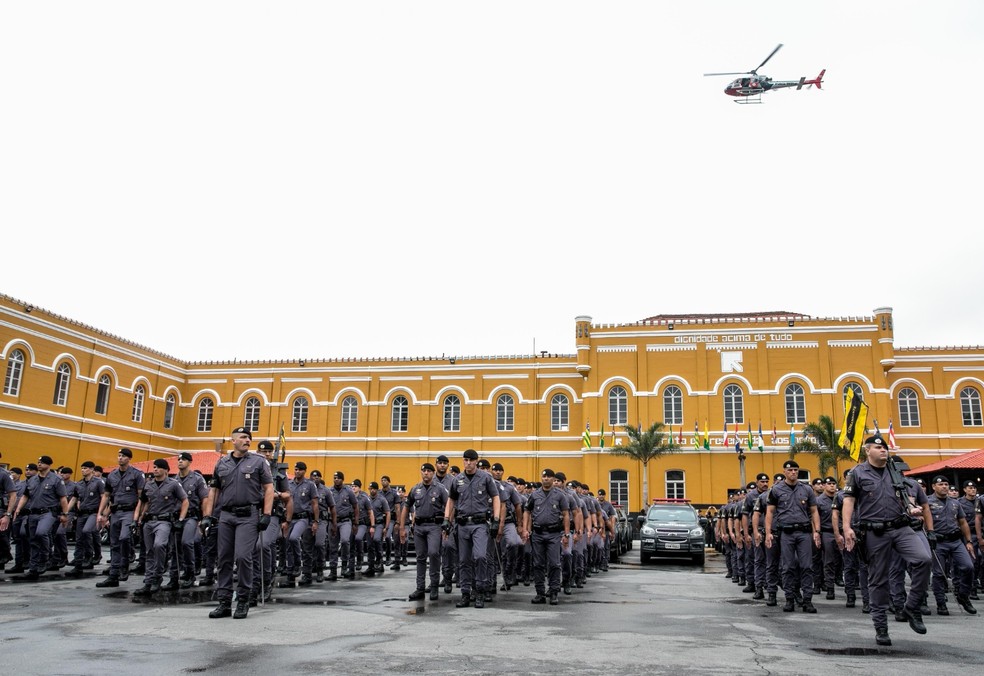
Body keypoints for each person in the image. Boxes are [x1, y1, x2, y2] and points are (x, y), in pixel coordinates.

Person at [842, 435, 933, 647]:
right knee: (878, 580)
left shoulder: (895, 470)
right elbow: (849, 501)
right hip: (875, 532)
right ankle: (881, 627)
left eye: (884, 447)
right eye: (878, 447)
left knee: (924, 560)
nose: (883, 450)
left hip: (901, 527)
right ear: (867, 451)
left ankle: (911, 607)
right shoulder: (857, 473)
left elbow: (904, 496)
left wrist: (912, 509)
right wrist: (847, 528)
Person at [201, 427, 274, 619]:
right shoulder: (222, 463)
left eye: (249, 437)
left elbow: (268, 488)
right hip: (225, 516)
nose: (247, 440)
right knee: (224, 558)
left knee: (243, 557)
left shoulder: (259, 462)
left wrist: (267, 514)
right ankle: (224, 602)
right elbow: (214, 490)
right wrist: (207, 515)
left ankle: (243, 599)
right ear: (233, 441)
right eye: (243, 437)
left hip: (248, 516)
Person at [443, 449, 501, 608]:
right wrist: (446, 519)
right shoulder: (458, 480)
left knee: (481, 556)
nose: (468, 463)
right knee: (464, 561)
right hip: (462, 525)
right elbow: (451, 500)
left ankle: (480, 591)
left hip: (480, 524)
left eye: (471, 460)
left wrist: (496, 519)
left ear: (476, 461)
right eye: (465, 460)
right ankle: (466, 593)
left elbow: (496, 497)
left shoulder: (486, 478)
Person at [765, 460, 821, 613]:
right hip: (786, 533)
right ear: (784, 472)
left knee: (807, 566)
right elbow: (770, 512)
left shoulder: (806, 489)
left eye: (796, 470)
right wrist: (768, 532)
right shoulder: (776, 490)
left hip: (804, 532)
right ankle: (789, 599)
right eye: (790, 470)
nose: (793, 473)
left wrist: (817, 531)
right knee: (788, 567)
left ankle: (807, 600)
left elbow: (814, 511)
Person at [132, 459, 189, 595]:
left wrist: (181, 519)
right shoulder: (148, 485)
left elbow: (185, 501)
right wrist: (136, 519)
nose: (155, 469)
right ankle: (148, 581)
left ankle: (157, 576)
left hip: (164, 521)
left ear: (165, 470)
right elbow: (142, 503)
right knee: (149, 552)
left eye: (158, 467)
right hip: (149, 521)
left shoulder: (174, 484)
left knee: (159, 545)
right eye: (154, 467)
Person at [10, 455, 70, 580]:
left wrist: (65, 514)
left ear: (49, 465)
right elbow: (25, 496)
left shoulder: (56, 480)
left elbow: (63, 498)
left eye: (42, 463)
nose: (39, 464)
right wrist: (18, 509)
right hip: (33, 513)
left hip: (48, 512)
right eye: (38, 462)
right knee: (33, 540)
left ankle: (45, 557)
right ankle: (34, 568)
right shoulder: (32, 480)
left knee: (41, 533)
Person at [926, 476, 977, 615]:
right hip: (938, 541)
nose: (944, 487)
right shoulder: (928, 502)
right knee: (938, 574)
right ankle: (941, 602)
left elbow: (962, 522)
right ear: (934, 487)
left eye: (946, 484)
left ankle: (963, 595)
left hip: (955, 541)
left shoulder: (955, 503)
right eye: (941, 484)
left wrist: (968, 541)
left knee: (968, 566)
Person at [95, 448, 145, 588]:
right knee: (114, 543)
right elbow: (107, 495)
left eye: (123, 456)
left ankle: (125, 563)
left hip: (130, 511)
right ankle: (114, 574)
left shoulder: (136, 474)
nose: (120, 458)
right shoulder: (112, 475)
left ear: (129, 458)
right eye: (119, 455)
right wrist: (101, 514)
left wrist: (139, 515)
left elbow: (141, 496)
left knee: (124, 538)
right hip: (115, 511)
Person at [400, 462, 449, 601]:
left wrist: (447, 523)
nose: (426, 473)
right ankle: (420, 588)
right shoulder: (415, 489)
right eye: (424, 471)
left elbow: (449, 506)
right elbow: (406, 507)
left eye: (429, 471)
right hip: (419, 527)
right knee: (420, 557)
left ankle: (434, 586)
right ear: (421, 473)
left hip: (435, 526)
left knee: (434, 553)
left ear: (433, 473)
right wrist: (402, 527)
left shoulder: (440, 489)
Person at [523, 468, 572, 605]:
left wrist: (566, 534)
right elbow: (527, 511)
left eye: (549, 477)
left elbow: (566, 514)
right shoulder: (535, 495)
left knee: (554, 564)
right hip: (537, 534)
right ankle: (540, 593)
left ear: (552, 479)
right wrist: (526, 529)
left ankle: (554, 591)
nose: (546, 479)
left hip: (554, 534)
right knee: (538, 564)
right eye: (544, 477)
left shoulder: (560, 495)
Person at [173, 452, 210, 588]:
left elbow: (204, 499)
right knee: (175, 547)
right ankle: (174, 577)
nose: (180, 461)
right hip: (176, 517)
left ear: (190, 462)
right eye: (179, 459)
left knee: (187, 542)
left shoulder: (197, 479)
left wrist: (205, 517)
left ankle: (191, 572)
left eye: (183, 459)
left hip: (192, 516)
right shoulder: (174, 480)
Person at [65, 461, 104, 578]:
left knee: (87, 531)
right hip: (82, 514)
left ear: (92, 470)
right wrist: (65, 511)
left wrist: (102, 514)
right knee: (79, 539)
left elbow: (104, 497)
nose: (83, 470)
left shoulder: (98, 483)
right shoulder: (79, 484)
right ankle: (78, 565)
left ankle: (90, 555)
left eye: (85, 468)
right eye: (82, 468)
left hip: (93, 512)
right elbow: (74, 499)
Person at [328, 471, 358, 581]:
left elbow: (355, 507)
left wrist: (355, 523)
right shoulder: (329, 491)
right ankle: (333, 570)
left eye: (338, 478)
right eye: (334, 477)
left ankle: (344, 566)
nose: (336, 480)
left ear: (342, 479)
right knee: (333, 546)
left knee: (345, 541)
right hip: (332, 521)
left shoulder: (348, 491)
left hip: (346, 521)